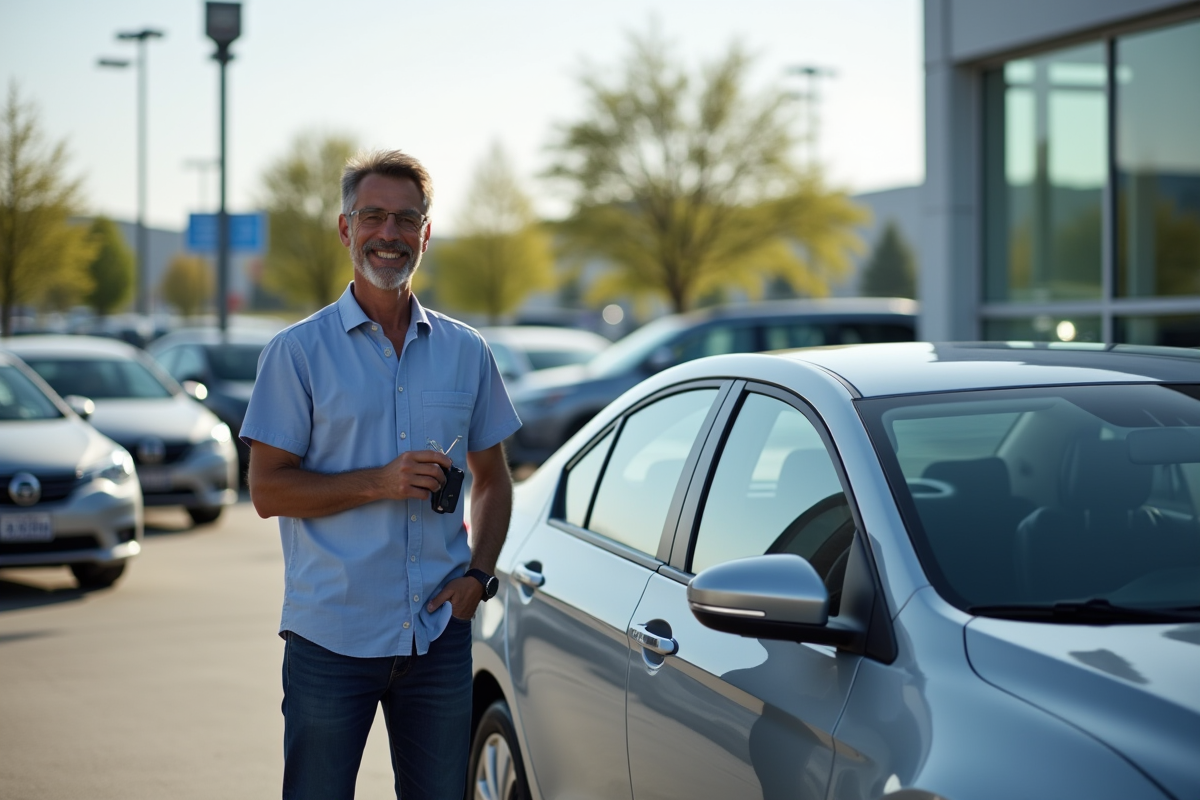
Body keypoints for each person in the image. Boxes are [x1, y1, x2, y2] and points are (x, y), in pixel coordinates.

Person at [240, 149, 520, 800]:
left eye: (405, 219)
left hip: (438, 639)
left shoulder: (467, 351)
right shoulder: (295, 354)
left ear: (426, 233)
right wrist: (380, 481)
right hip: (330, 639)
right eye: (373, 217)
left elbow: (495, 479)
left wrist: (479, 575)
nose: (388, 234)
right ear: (346, 229)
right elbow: (267, 490)